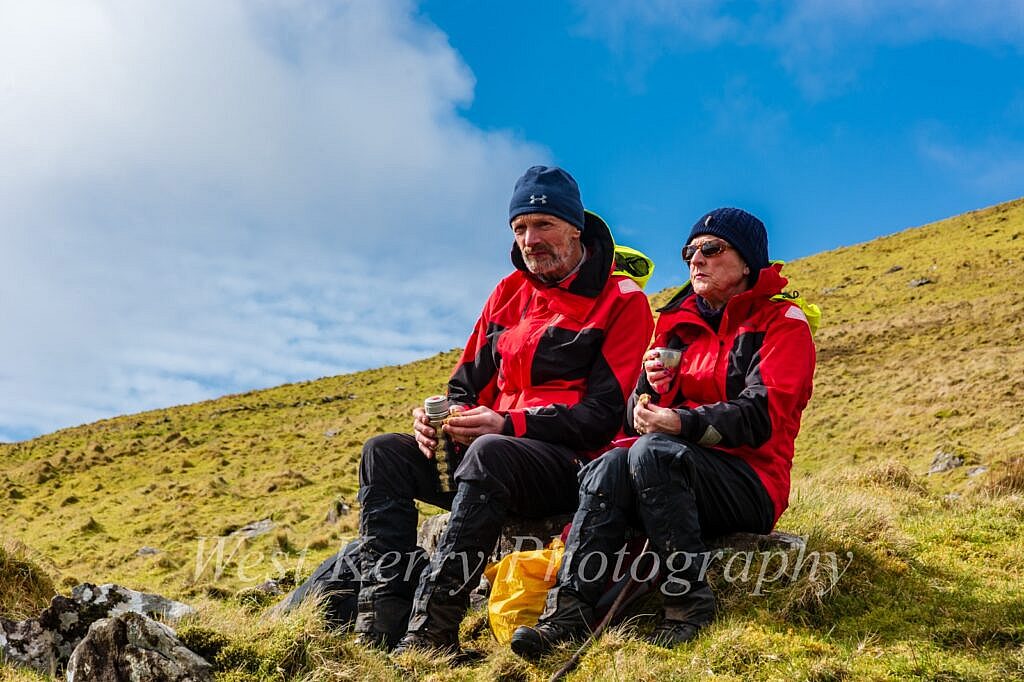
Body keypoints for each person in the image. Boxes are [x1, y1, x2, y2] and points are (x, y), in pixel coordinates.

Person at [354, 166, 654, 655]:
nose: (530, 240)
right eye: (520, 228)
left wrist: (508, 423)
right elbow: (463, 383)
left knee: (492, 450)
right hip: (485, 462)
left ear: (575, 227)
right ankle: (379, 626)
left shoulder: (623, 301)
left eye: (543, 225)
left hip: (570, 468)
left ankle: (431, 632)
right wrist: (441, 421)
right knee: (383, 452)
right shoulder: (507, 292)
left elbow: (605, 414)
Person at [511, 207, 816, 659]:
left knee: (654, 451)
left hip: (752, 480)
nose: (697, 260)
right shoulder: (675, 322)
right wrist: (648, 391)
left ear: (748, 261)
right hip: (672, 469)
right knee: (613, 460)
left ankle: (688, 608)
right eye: (689, 251)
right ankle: (568, 612)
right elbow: (637, 417)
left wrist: (679, 423)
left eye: (712, 250)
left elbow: (763, 415)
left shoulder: (783, 322)